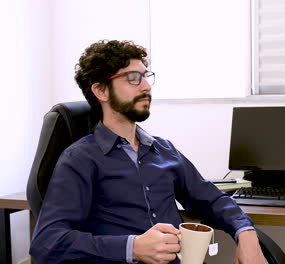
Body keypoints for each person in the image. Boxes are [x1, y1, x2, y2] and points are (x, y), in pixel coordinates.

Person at [29, 40, 266, 264]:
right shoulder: (79, 159)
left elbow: (211, 199)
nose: (146, 86)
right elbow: (47, 243)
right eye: (133, 78)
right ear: (101, 91)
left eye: (146, 76)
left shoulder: (164, 150)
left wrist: (245, 232)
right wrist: (133, 247)